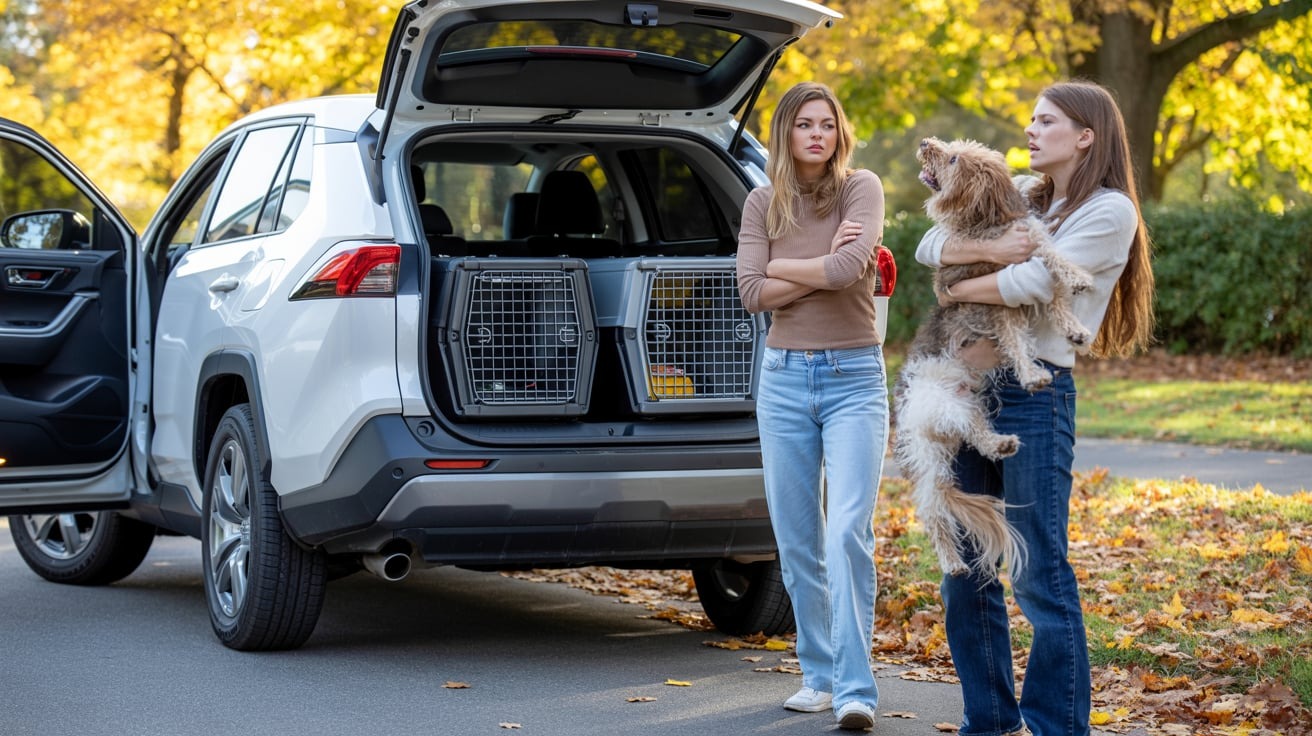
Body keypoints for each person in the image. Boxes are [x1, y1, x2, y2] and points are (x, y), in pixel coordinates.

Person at [915, 80, 1155, 736]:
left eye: (1046, 120)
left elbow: (1033, 284)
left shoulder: (1110, 213)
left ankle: (1057, 727)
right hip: (967, 393)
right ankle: (988, 722)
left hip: (1034, 394)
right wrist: (986, 253)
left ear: (1086, 135)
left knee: (1038, 573)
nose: (1030, 128)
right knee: (965, 571)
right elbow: (928, 247)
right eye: (1030, 119)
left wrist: (964, 278)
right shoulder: (1028, 195)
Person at [736, 81, 889, 731]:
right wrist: (821, 261)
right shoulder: (762, 202)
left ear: (839, 133)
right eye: (805, 124)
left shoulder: (862, 189)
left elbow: (851, 270)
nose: (818, 134)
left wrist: (796, 268)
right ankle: (819, 674)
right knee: (798, 540)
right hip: (783, 382)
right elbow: (748, 290)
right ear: (786, 133)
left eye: (828, 123)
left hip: (855, 378)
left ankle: (856, 689)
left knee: (847, 530)